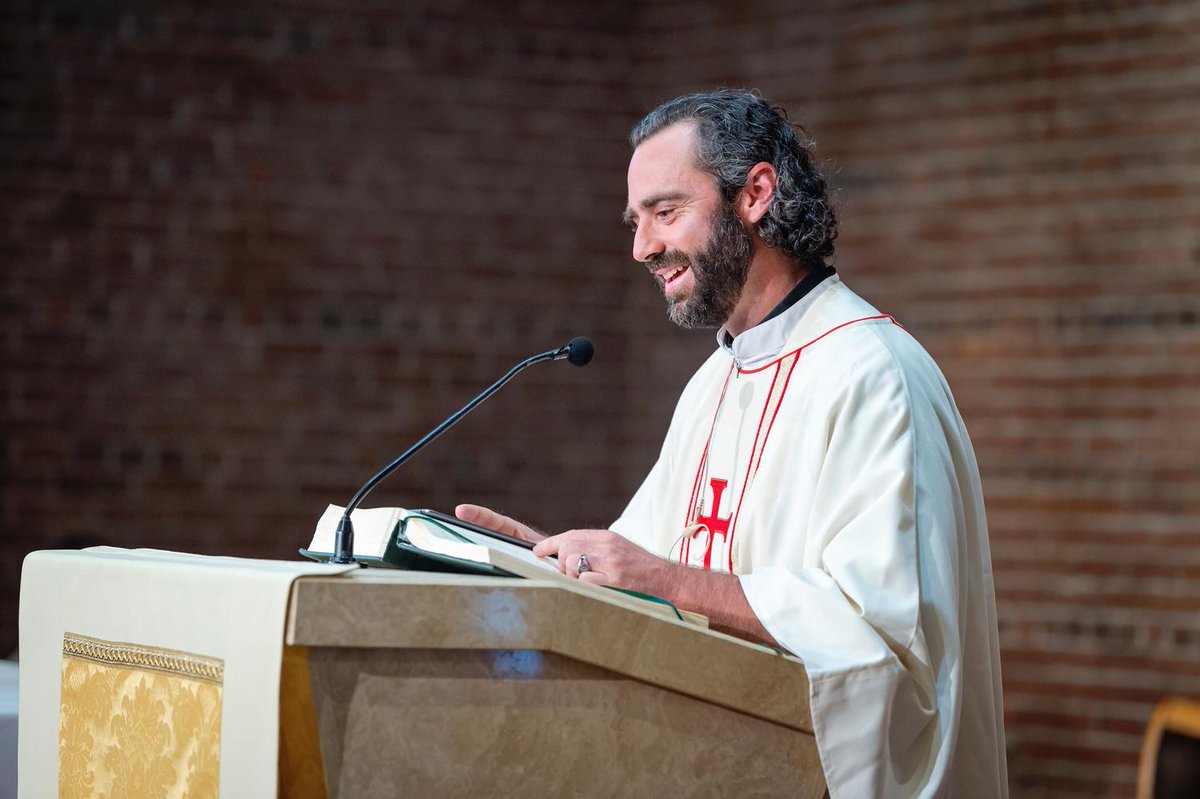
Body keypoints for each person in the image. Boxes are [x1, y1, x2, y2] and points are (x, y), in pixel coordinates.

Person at [457, 89, 1008, 798]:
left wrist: (660, 580)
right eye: (636, 221)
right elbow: (641, 571)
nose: (641, 247)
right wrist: (548, 565)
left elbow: (879, 641)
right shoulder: (715, 381)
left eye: (665, 211)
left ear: (754, 193)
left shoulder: (873, 374)